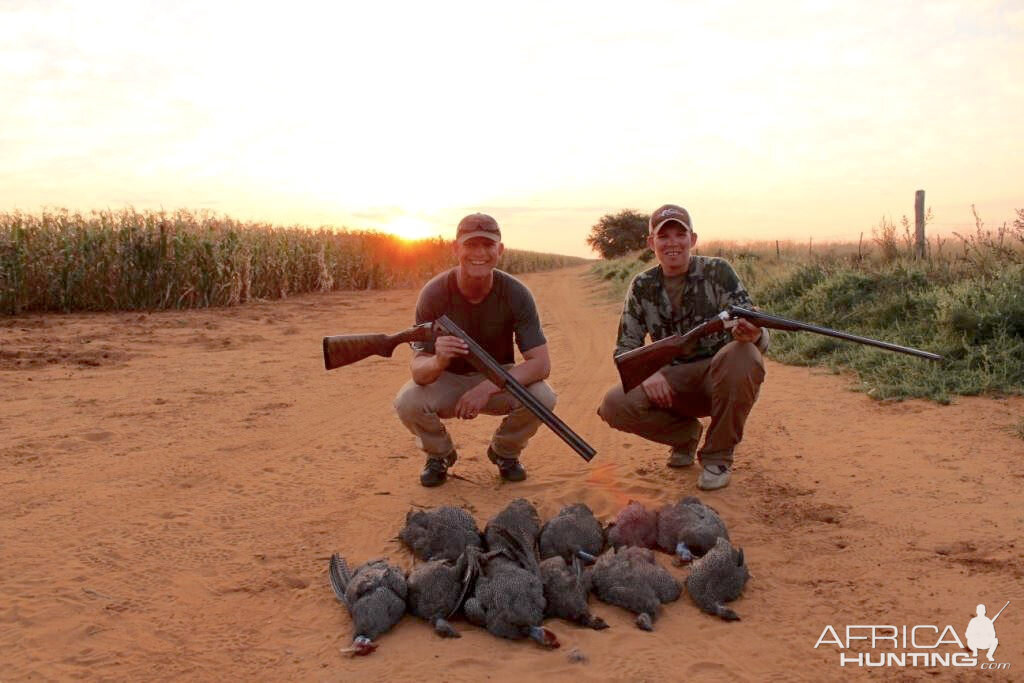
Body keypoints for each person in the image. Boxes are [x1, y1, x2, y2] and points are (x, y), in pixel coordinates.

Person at [597, 204, 768, 491]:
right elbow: (625, 347)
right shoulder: (642, 285)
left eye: (680, 234)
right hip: (671, 384)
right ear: (652, 243)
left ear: (693, 239)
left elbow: (753, 325)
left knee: (745, 354)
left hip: (719, 377)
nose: (673, 243)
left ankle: (717, 457)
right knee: (614, 404)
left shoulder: (719, 271)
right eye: (664, 237)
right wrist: (647, 374)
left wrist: (755, 334)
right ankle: (685, 437)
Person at [393, 213, 556, 487]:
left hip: (496, 377)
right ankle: (439, 455)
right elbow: (419, 371)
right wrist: (439, 360)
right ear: (455, 248)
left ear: (500, 250)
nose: (479, 253)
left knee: (543, 397)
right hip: (447, 378)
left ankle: (505, 453)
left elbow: (541, 365)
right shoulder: (433, 293)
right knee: (407, 402)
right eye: (470, 245)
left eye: (487, 245)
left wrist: (487, 388)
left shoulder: (517, 293)